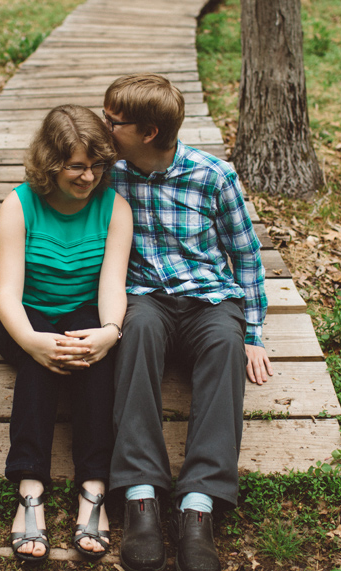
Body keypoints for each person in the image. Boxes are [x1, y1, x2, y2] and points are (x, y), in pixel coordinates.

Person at [101, 74, 272, 571]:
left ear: (148, 132)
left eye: (114, 122)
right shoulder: (109, 172)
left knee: (225, 344)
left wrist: (254, 332)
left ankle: (199, 503)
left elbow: (245, 254)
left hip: (208, 298)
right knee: (137, 334)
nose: (105, 126)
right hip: (144, 296)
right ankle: (141, 495)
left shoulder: (212, 176)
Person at [0, 104, 133, 564]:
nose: (89, 177)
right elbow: (8, 291)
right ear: (51, 163)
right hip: (21, 313)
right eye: (76, 166)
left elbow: (111, 284)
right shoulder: (19, 204)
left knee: (90, 354)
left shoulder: (114, 207)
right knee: (40, 360)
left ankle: (93, 487)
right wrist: (30, 339)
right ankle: (30, 487)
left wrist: (110, 331)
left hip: (85, 310)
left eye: (97, 165)